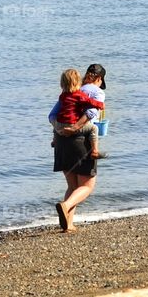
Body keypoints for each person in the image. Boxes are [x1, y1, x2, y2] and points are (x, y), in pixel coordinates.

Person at [49, 64, 108, 232]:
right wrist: (74, 129)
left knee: (72, 187)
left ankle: (68, 224)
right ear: (99, 79)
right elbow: (91, 113)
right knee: (87, 186)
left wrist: (61, 130)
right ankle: (65, 205)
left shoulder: (68, 92)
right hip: (80, 142)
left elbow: (52, 116)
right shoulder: (97, 92)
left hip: (61, 140)